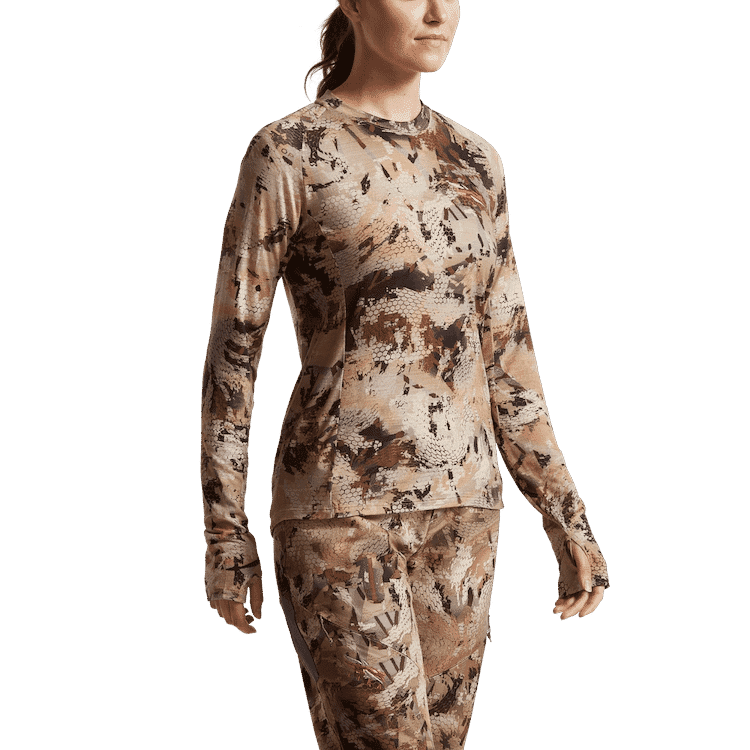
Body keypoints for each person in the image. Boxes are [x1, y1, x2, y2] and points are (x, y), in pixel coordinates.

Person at [200, 1, 610, 747]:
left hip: (467, 512)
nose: (437, 10)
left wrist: (565, 513)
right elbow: (235, 352)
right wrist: (225, 531)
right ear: (354, 4)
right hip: (338, 511)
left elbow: (509, 354)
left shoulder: (476, 161)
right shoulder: (290, 151)